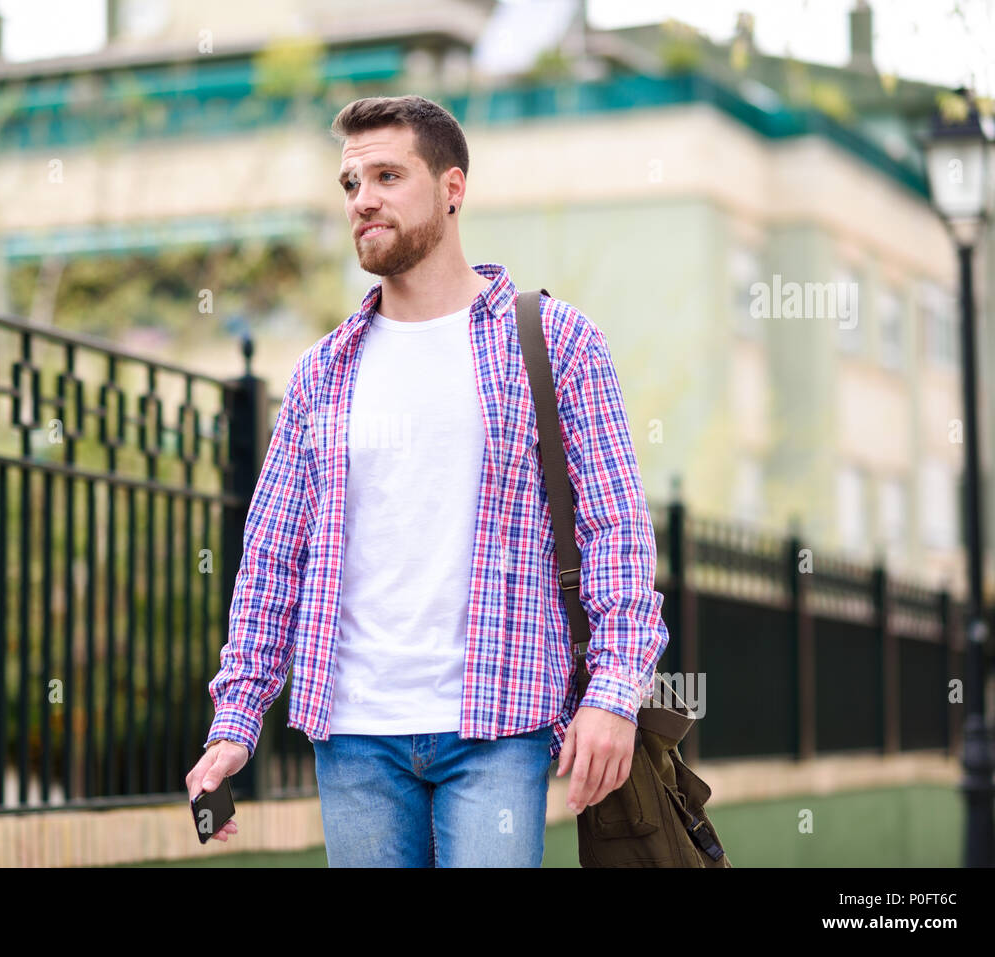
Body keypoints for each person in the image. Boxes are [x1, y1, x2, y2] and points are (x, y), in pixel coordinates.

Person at [185, 94, 669, 866]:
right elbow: (272, 558)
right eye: (350, 184)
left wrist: (615, 690)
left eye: (386, 175)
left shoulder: (553, 341)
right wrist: (234, 720)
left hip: (497, 723)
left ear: (452, 187)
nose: (363, 199)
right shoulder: (322, 373)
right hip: (352, 734)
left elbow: (616, 530)